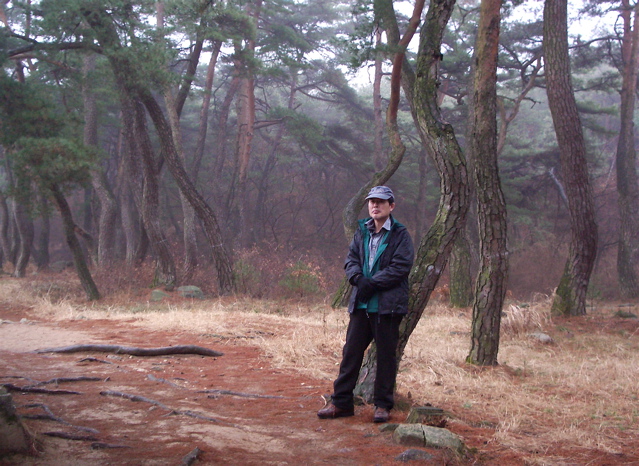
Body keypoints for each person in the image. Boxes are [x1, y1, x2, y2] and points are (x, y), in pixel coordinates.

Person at [318, 186, 414, 423]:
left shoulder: (401, 234)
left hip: (388, 306)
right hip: (361, 304)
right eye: (372, 201)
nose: (375, 205)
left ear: (391, 206)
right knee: (350, 354)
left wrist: (372, 283)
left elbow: (400, 267)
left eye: (380, 202)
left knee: (385, 357)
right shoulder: (362, 231)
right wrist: (358, 279)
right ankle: (341, 403)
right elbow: (351, 260)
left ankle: (382, 406)